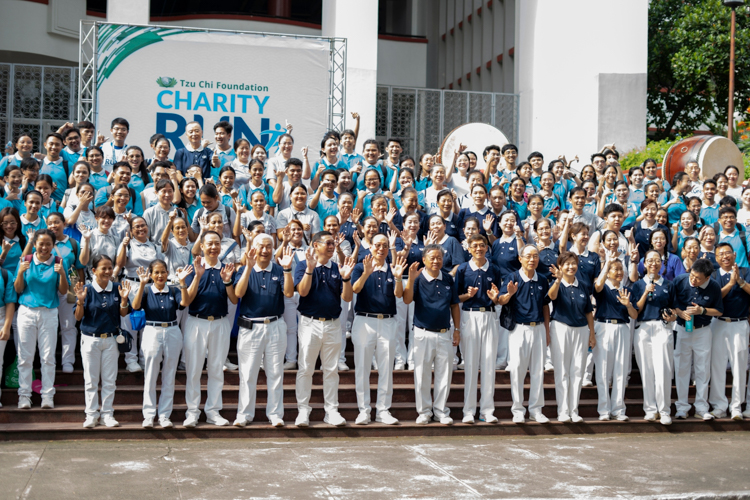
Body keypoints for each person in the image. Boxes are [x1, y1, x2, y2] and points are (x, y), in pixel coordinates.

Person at [293, 231, 355, 427]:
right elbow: (302, 291)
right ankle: (303, 410)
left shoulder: (338, 267)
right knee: (305, 368)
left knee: (331, 370)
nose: (331, 246)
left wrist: (346, 279)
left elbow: (347, 298)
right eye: (328, 243)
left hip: (333, 324)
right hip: (309, 323)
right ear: (315, 245)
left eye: (333, 243)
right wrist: (310, 269)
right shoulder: (303, 265)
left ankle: (331, 411)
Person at [233, 235, 295, 427]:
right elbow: (238, 294)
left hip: (275, 325)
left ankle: (275, 414)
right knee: (248, 373)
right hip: (250, 326)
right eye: (261, 246)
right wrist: (249, 268)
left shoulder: (279, 269)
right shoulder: (244, 269)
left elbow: (289, 293)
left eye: (269, 246)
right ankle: (244, 414)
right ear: (254, 247)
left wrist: (287, 270)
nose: (265, 250)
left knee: (276, 372)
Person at [182, 231, 238, 427]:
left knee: (216, 369)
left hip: (220, 323)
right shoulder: (193, 268)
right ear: (202, 247)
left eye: (217, 243)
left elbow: (233, 299)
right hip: (196, 322)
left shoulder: (228, 269)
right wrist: (197, 277)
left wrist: (227, 280)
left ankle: (213, 411)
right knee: (194, 369)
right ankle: (192, 411)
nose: (214, 247)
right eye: (210, 244)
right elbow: (186, 300)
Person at [350, 236, 406, 425]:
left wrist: (398, 277)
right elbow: (354, 290)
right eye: (377, 245)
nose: (381, 249)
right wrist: (366, 273)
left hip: (388, 322)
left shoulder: (392, 267)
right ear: (371, 247)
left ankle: (383, 410)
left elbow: (399, 294)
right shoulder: (361, 266)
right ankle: (364, 410)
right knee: (363, 368)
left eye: (384, 245)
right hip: (364, 321)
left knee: (386, 369)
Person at [403, 244, 460, 425]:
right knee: (422, 374)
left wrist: (457, 330)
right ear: (424, 260)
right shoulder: (418, 279)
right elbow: (406, 299)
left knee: (445, 375)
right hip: (423, 332)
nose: (436, 261)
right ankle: (424, 411)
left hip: (444, 333)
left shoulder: (449, 280)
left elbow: (454, 306)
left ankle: (441, 411)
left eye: (439, 258)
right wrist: (411, 280)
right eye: (432, 258)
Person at [14, 229, 69, 409]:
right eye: (41, 243)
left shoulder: (59, 262)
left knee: (48, 357)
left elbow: (62, 291)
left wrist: (61, 274)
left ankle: (47, 396)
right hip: (27, 312)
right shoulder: (25, 261)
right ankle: (24, 396)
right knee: (25, 356)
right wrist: (21, 272)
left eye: (48, 244)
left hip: (49, 312)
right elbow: (18, 289)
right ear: (35, 243)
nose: (44, 247)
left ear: (53, 245)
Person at [131, 261, 191, 428]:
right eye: (156, 272)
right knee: (150, 374)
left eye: (163, 272)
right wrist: (142, 285)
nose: (160, 275)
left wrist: (183, 283)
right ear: (151, 274)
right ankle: (149, 415)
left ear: (167, 273)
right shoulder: (146, 290)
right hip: (152, 331)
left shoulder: (173, 289)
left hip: (172, 330)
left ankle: (164, 415)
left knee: (169, 375)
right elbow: (135, 306)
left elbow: (184, 303)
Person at [495, 245, 551, 424]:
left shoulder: (542, 280)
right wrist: (510, 294)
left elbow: (545, 306)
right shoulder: (512, 277)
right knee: (518, 370)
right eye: (528, 256)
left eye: (535, 256)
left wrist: (547, 331)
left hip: (539, 328)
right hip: (519, 329)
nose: (532, 259)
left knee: (537, 371)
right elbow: (501, 300)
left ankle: (536, 409)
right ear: (520, 259)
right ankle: (518, 409)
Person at [74, 255, 130, 428]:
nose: (107, 271)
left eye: (110, 268)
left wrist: (124, 299)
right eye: (103, 268)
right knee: (91, 380)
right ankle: (91, 414)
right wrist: (81, 302)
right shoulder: (87, 290)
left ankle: (107, 413)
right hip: (90, 340)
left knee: (109, 380)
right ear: (94, 271)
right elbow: (78, 317)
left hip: (111, 340)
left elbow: (123, 314)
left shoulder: (117, 288)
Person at [456, 234, 502, 423]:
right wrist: (467, 295)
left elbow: (498, 297)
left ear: (486, 248)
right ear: (468, 248)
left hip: (490, 315)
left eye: (482, 245)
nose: (479, 249)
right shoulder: (463, 269)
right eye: (475, 246)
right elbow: (456, 298)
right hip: (469, 316)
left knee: (489, 364)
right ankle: (468, 411)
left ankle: (487, 410)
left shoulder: (494, 269)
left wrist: (495, 298)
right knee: (471, 365)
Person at [672, 258, 724, 420]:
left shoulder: (714, 286)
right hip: (681, 329)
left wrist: (702, 310)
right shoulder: (680, 280)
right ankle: (682, 406)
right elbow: (670, 302)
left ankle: (701, 407)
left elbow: (719, 311)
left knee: (702, 369)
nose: (693, 280)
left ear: (707, 278)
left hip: (702, 331)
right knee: (681, 368)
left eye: (698, 278)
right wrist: (680, 312)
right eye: (692, 276)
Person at [547, 252, 596, 423]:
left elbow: (588, 311)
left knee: (577, 371)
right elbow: (551, 297)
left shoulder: (583, 285)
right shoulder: (556, 283)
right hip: (561, 328)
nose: (570, 267)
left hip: (581, 330)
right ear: (560, 266)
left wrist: (592, 333)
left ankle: (574, 410)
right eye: (566, 264)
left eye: (573, 263)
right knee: (562, 371)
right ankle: (563, 410)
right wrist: (558, 279)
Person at [631, 250, 677, 425]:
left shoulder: (669, 284)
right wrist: (645, 291)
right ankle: (650, 409)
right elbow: (635, 310)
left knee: (663, 371)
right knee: (647, 371)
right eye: (649, 260)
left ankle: (664, 410)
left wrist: (672, 316)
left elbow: (674, 307)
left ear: (662, 263)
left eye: (657, 260)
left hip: (662, 328)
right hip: (643, 329)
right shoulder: (638, 285)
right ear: (644, 263)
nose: (653, 263)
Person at [592, 257, 639, 421]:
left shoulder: (628, 291)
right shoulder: (603, 288)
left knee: (620, 370)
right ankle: (604, 410)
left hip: (622, 329)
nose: (619, 272)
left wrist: (628, 305)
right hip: (603, 327)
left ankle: (618, 409)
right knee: (603, 370)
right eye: (615, 269)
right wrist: (605, 266)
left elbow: (634, 315)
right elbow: (597, 286)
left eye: (621, 269)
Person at [116, 217, 164, 372]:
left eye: (143, 225)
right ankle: (131, 359)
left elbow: (160, 266)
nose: (140, 228)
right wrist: (123, 246)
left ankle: (145, 358)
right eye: (136, 226)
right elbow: (121, 263)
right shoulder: (127, 244)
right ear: (131, 230)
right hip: (131, 284)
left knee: (148, 324)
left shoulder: (154, 246)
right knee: (130, 323)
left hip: (150, 286)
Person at [709, 243, 750, 420]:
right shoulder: (714, 274)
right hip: (718, 323)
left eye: (728, 253)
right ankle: (719, 406)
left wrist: (740, 282)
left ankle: (736, 407)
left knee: (739, 366)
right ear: (716, 258)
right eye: (720, 254)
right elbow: (714, 297)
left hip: (739, 324)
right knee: (717, 366)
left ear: (734, 254)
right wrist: (731, 283)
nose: (724, 256)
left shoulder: (746, 271)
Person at [44, 212, 84, 373]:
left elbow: (80, 269)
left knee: (68, 325)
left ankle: (68, 361)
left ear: (64, 224)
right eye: (50, 223)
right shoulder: (43, 242)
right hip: (46, 289)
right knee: (48, 327)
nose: (53, 226)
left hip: (69, 288)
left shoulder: (73, 243)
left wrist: (79, 289)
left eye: (56, 222)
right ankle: (48, 360)